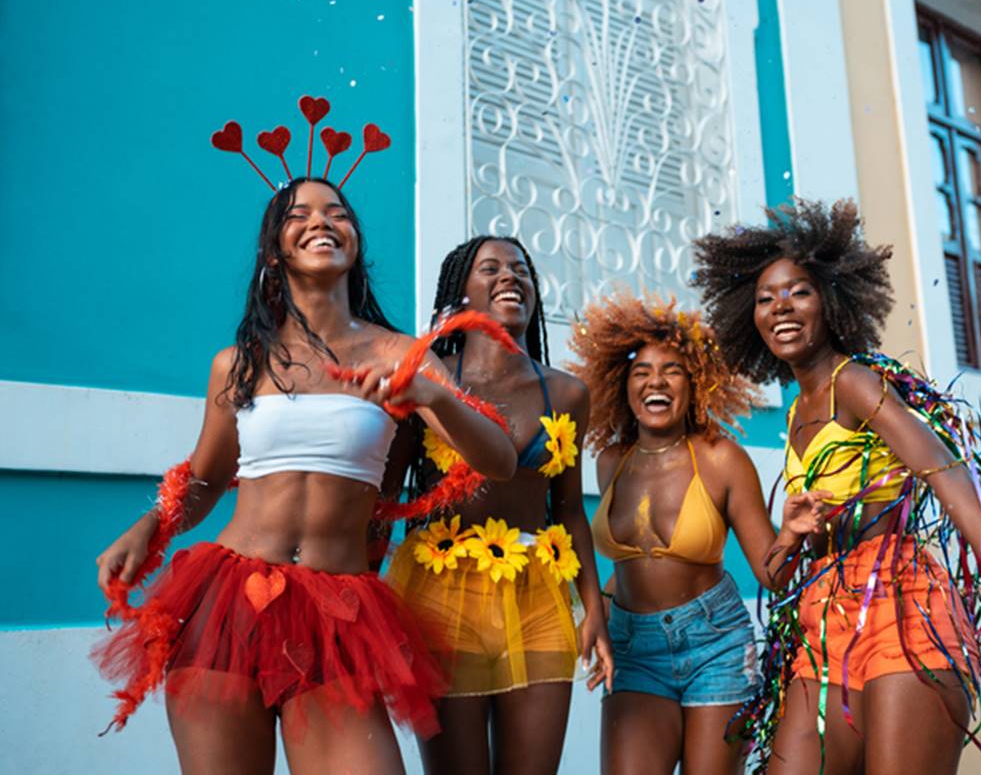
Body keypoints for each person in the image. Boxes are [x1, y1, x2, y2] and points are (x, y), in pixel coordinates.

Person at [692, 198, 981, 774]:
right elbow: (776, 577)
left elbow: (944, 467)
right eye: (765, 297)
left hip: (900, 608)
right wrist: (793, 533)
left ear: (831, 300)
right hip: (822, 619)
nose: (781, 306)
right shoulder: (797, 412)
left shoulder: (853, 381)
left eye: (799, 291)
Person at [93, 177, 517, 775]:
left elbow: (498, 458)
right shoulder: (238, 364)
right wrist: (149, 528)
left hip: (338, 614)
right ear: (275, 251)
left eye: (337, 212)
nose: (321, 220)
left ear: (355, 242)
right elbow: (209, 480)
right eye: (300, 214)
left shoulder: (400, 357)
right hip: (229, 607)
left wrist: (431, 395)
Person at [386, 235, 614, 775]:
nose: (510, 276)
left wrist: (594, 613)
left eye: (521, 270)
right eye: (490, 268)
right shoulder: (426, 378)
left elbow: (569, 509)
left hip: (539, 595)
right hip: (441, 594)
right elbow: (386, 495)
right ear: (460, 292)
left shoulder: (568, 393)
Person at [567, 293, 820, 775]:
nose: (656, 382)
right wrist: (595, 612)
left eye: (673, 371)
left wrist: (789, 533)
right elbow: (633, 564)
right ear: (622, 386)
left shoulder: (722, 458)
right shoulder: (610, 463)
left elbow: (773, 574)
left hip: (716, 645)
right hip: (632, 646)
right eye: (641, 372)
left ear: (696, 383)